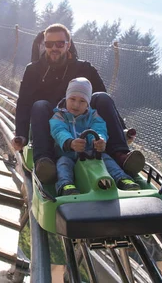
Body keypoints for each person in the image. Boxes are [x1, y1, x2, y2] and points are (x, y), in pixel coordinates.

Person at [11, 23, 144, 184]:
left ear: (68, 45)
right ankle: (44, 162)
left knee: (101, 96)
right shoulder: (34, 69)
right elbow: (24, 103)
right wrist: (21, 134)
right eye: (49, 44)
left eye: (60, 43)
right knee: (39, 105)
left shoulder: (84, 68)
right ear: (44, 45)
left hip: (82, 120)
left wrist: (122, 128)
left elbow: (105, 99)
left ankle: (120, 154)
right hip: (53, 122)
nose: (54, 48)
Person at [50, 78, 140, 196]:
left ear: (88, 103)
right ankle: (66, 185)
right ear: (66, 98)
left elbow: (99, 128)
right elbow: (58, 130)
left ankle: (123, 179)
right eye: (72, 99)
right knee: (63, 164)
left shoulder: (93, 115)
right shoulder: (59, 116)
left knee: (106, 159)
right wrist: (70, 142)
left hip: (91, 154)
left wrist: (99, 140)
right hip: (68, 154)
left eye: (82, 101)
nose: (76, 105)